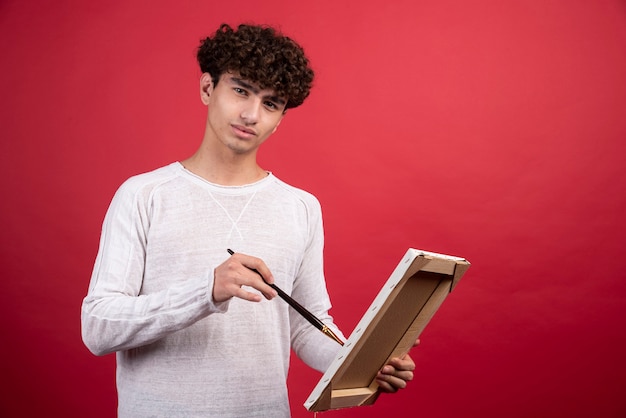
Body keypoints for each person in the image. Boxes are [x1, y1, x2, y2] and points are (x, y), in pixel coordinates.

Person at [81, 23, 417, 417]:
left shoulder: (301, 206)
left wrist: (362, 363)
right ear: (208, 88)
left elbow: (308, 325)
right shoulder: (143, 195)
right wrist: (206, 291)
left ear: (280, 118)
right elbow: (99, 326)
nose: (251, 114)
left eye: (271, 103)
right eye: (240, 90)